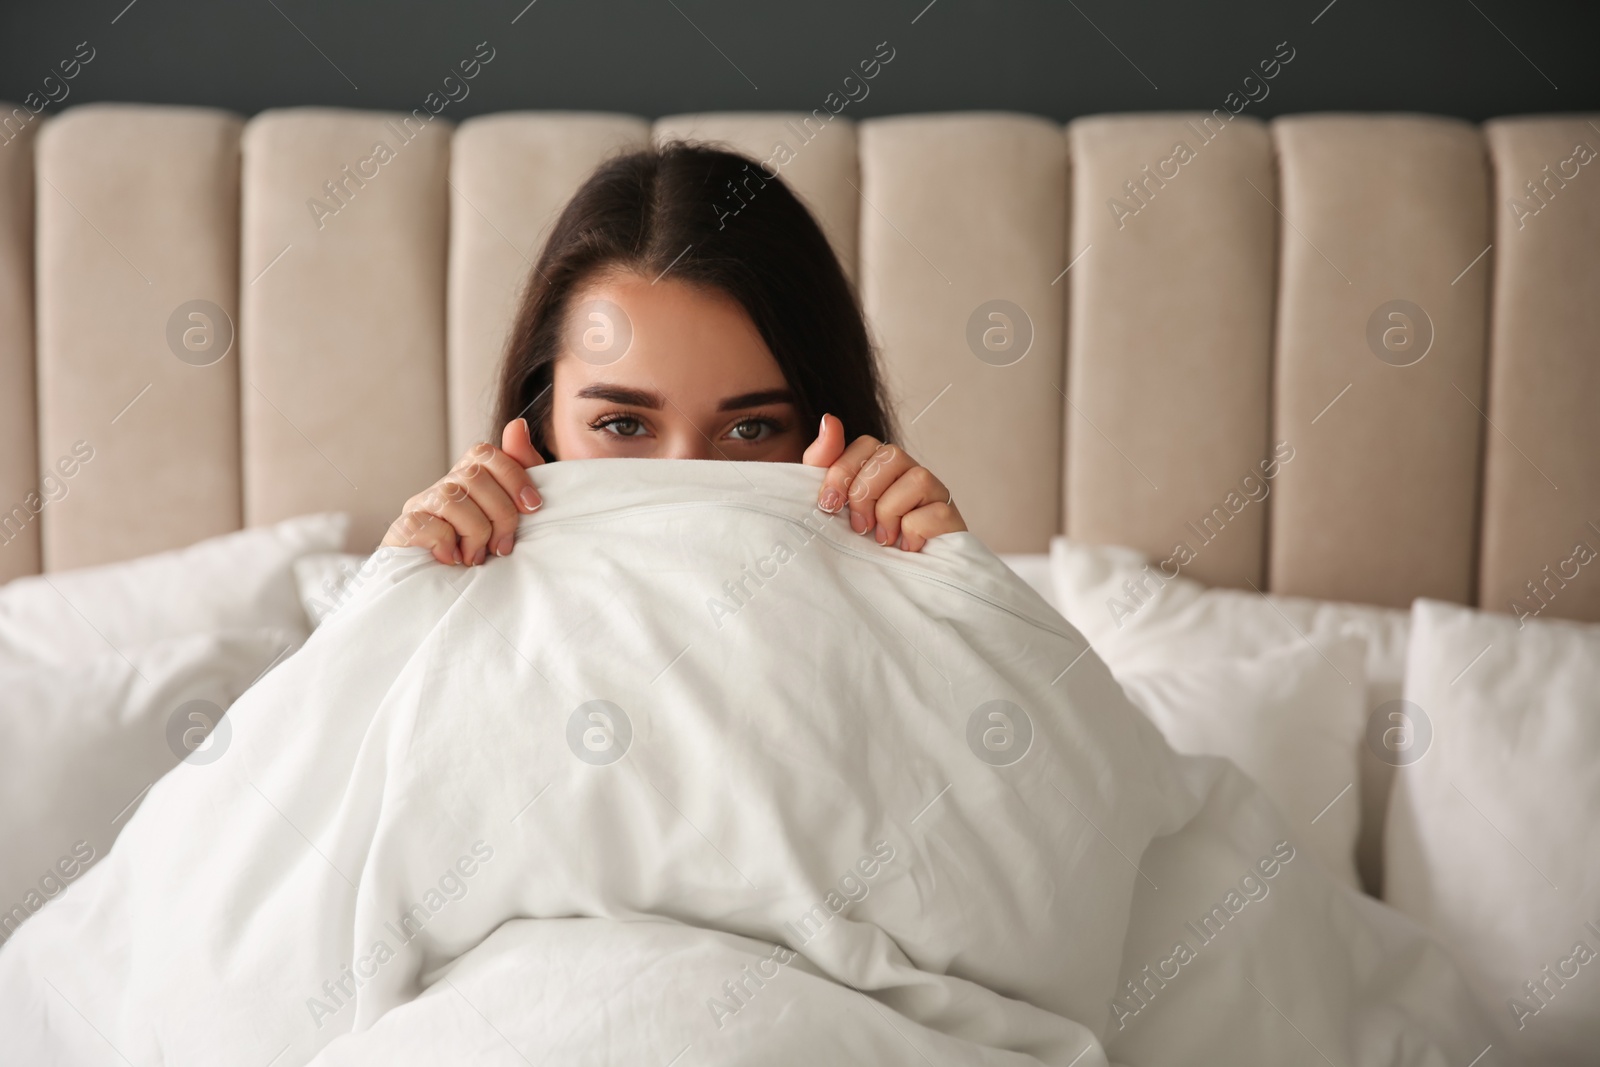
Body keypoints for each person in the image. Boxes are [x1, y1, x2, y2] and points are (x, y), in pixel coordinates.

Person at [382, 142, 965, 565]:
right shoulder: (453, 612)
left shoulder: (904, 614)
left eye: (752, 429)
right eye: (623, 423)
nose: (686, 485)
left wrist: (949, 590)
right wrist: (399, 592)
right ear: (538, 428)